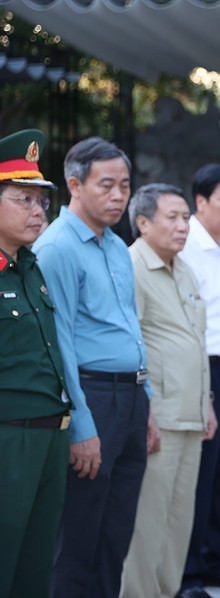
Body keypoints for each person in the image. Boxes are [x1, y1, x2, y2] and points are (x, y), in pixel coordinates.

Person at [33, 137, 150, 598]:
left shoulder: (118, 246)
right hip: (91, 399)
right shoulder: (56, 248)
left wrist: (150, 403)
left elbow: (132, 330)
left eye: (124, 185)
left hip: (132, 398)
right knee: (78, 536)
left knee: (114, 535)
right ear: (74, 185)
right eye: (107, 185)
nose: (119, 195)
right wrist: (80, 426)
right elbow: (57, 343)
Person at [121, 184, 218, 598]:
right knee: (148, 525)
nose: (184, 226)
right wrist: (143, 412)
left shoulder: (184, 268)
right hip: (157, 416)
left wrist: (208, 404)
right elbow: (131, 348)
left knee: (179, 524)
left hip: (191, 414)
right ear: (143, 223)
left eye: (185, 218)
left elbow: (197, 342)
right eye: (173, 217)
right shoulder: (131, 268)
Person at [0, 129, 72, 598]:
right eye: (23, 199)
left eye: (41, 202)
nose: (37, 211)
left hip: (50, 434)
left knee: (34, 565)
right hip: (9, 435)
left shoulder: (31, 266)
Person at [178, 163, 220, 596]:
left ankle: (214, 556)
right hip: (201, 369)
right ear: (200, 202)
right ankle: (186, 573)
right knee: (197, 477)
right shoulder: (186, 248)